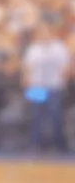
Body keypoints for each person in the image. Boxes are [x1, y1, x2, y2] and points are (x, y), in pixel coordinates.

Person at [22, 19, 71, 153]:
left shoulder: (59, 48)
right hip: (37, 87)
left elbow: (66, 66)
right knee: (36, 117)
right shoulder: (33, 49)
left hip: (54, 87)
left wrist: (63, 79)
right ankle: (35, 145)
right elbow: (27, 68)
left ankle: (58, 145)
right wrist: (28, 86)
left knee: (56, 116)